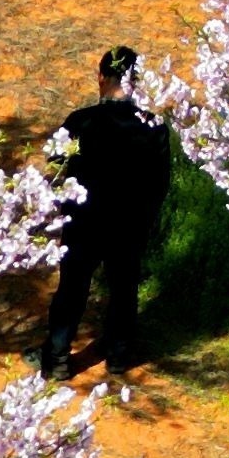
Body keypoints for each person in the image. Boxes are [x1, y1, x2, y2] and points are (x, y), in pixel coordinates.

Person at [41, 43, 173, 380]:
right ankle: (118, 355)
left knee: (72, 288)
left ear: (101, 78)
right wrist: (147, 219)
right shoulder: (154, 126)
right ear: (136, 82)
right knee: (124, 287)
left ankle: (57, 358)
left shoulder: (80, 122)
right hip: (129, 223)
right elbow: (160, 182)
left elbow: (55, 163)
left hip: (83, 221)